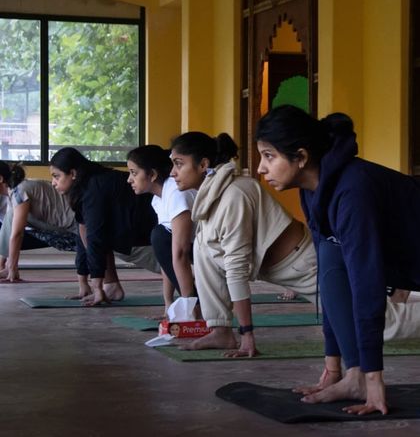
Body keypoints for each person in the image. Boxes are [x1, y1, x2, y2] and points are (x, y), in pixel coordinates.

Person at [256, 104, 420, 416]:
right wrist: (333, 369)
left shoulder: (353, 190)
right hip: (404, 261)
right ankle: (352, 375)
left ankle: (361, 375)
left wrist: (374, 379)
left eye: (269, 156)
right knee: (330, 256)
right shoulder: (313, 189)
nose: (262, 168)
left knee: (350, 272)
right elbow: (329, 278)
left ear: (301, 157)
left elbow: (366, 284)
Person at [169, 131, 318, 356]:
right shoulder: (213, 196)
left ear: (203, 165)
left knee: (381, 324)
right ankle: (220, 331)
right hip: (275, 269)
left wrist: (247, 334)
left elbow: (236, 268)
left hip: (306, 266)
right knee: (203, 245)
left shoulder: (234, 194)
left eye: (179, 164)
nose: (173, 173)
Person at [50, 147, 159, 306]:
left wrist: (97, 287)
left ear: (73, 174)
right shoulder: (83, 188)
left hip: (148, 227)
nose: (53, 183)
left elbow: (94, 237)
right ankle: (111, 286)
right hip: (131, 225)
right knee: (93, 235)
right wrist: (83, 284)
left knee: (176, 268)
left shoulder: (94, 187)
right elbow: (82, 234)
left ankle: (109, 287)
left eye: (56, 176)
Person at [127, 145, 197, 315]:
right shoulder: (158, 200)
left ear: (152, 174)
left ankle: (197, 306)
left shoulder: (175, 192)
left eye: (134, 173)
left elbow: (180, 251)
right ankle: (193, 303)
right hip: (197, 250)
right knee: (160, 236)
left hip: (215, 251)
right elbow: (167, 256)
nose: (129, 179)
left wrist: (191, 309)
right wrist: (168, 303)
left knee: (159, 236)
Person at [0, 161, 78, 282]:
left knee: (13, 218)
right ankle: (5, 267)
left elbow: (17, 233)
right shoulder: (16, 190)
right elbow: (11, 231)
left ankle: (9, 267)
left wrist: (13, 268)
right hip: (62, 225)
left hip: (72, 227)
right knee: (11, 217)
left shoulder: (19, 191)